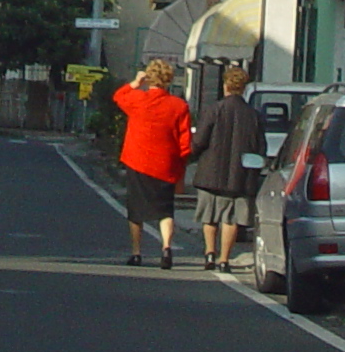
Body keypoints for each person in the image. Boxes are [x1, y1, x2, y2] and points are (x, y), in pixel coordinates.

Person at [110, 58, 192, 269]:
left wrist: (136, 83)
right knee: (165, 210)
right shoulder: (179, 106)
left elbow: (119, 96)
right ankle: (166, 247)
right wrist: (181, 168)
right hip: (165, 163)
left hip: (137, 160)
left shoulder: (138, 100)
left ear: (149, 78)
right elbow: (184, 142)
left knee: (136, 209)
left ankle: (136, 252)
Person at [189, 64, 261, 272]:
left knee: (209, 215)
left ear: (226, 86)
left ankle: (209, 253)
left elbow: (199, 140)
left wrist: (191, 155)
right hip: (239, 175)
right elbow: (259, 147)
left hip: (210, 172)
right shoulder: (253, 115)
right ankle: (224, 259)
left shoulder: (214, 110)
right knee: (231, 218)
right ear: (243, 87)